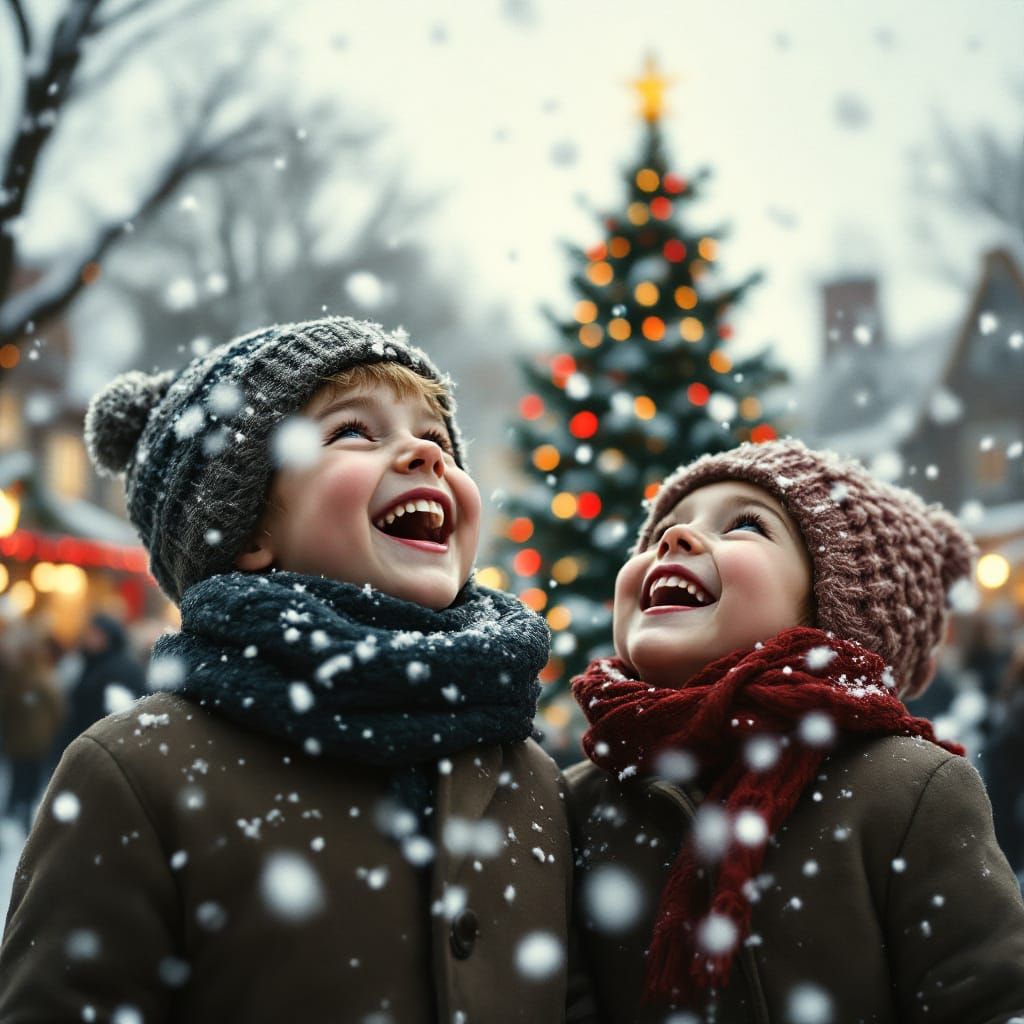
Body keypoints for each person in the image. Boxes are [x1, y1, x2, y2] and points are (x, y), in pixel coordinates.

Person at [0, 317, 572, 1023]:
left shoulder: (530, 774)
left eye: (438, 438)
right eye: (354, 432)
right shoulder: (137, 773)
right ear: (246, 531)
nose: (425, 454)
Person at [566, 439, 1024, 1022]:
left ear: (833, 613)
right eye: (669, 525)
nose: (672, 540)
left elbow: (988, 1000)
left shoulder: (906, 789)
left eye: (747, 526)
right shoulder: (583, 798)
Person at [52, 612, 147, 758]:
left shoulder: (121, 667)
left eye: (96, 634)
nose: (89, 638)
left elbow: (121, 714)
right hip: (81, 742)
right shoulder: (88, 662)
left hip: (102, 748)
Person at [0, 622, 66, 833]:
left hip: (24, 740)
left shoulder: (23, 678)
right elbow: (58, 708)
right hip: (34, 741)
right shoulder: (38, 676)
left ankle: (18, 819)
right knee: (27, 784)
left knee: (22, 783)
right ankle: (21, 821)